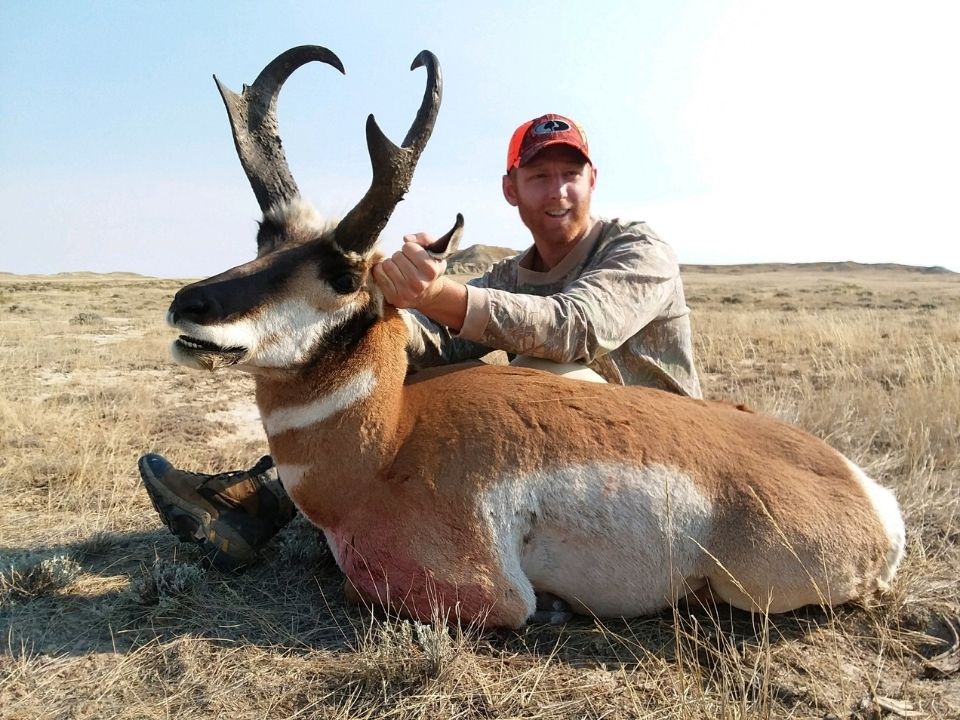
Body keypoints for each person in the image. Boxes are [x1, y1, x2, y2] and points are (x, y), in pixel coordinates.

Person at [139, 113, 703, 570]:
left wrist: (438, 295)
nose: (557, 191)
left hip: (673, 459)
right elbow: (432, 344)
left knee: (531, 383)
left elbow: (573, 327)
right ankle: (268, 496)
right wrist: (367, 308)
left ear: (592, 180)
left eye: (569, 174)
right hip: (583, 464)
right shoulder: (512, 274)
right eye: (539, 176)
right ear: (511, 189)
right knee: (404, 383)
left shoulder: (638, 248)